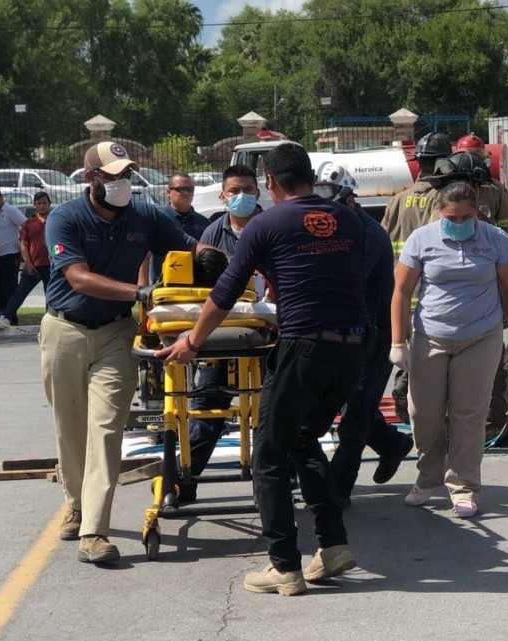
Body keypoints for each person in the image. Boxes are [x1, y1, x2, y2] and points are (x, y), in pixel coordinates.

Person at [155, 142, 367, 596]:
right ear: (311, 175)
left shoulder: (266, 223)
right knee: (304, 438)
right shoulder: (349, 219)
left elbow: (226, 291)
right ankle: (332, 544)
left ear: (269, 183)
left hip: (305, 348)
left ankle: (284, 565)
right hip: (353, 348)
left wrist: (192, 341)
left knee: (269, 455)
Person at [40, 141, 211, 565]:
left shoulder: (145, 215)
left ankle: (93, 531)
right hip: (64, 330)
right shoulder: (64, 218)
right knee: (70, 427)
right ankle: (76, 504)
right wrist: (140, 291)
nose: (122, 183)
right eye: (112, 176)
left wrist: (219, 259)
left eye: (126, 175)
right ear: (92, 178)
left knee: (106, 429)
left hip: (118, 334)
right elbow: (77, 278)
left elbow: (189, 246)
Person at [389, 181, 508, 518]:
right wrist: (398, 341)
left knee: (469, 415)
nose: (459, 223)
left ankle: (464, 487)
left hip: (480, 338)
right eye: (452, 216)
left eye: (466, 216)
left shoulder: (496, 240)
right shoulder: (422, 239)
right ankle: (428, 477)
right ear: (440, 212)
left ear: (477, 212)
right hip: (430, 338)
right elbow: (402, 292)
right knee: (424, 414)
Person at [316, 161, 414, 507]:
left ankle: (339, 488)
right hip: (342, 333)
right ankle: (391, 444)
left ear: (350, 198)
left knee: (355, 410)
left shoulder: (365, 235)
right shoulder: (329, 230)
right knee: (350, 401)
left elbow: (346, 283)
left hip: (371, 336)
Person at [180, 164, 264, 504]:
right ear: (223, 195)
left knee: (272, 410)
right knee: (207, 406)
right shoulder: (212, 234)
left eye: (247, 189)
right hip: (222, 333)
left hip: (266, 333)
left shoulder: (273, 227)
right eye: (234, 190)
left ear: (259, 192)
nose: (241, 195)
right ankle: (186, 479)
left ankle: (277, 480)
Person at [380, 131, 454, 424]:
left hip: (401, 292)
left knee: (412, 353)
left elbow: (383, 243)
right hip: (432, 295)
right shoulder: (444, 200)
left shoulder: (397, 201)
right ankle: (413, 396)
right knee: (436, 361)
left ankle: (405, 383)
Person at [0, 192, 53, 327]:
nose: (42, 206)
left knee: (51, 295)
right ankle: (6, 317)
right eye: (39, 203)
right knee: (20, 292)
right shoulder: (29, 223)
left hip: (52, 265)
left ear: (49, 204)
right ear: (35, 205)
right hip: (33, 265)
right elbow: (24, 244)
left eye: (44, 203)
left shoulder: (55, 220)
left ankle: (50, 322)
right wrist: (28, 263)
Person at [144, 172, 210, 285]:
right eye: (181, 189)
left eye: (190, 189)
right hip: (163, 286)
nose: (187, 193)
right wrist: (143, 287)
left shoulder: (204, 222)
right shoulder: (157, 219)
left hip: (197, 285)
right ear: (169, 192)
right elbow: (145, 256)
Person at [0, 188, 27, 322]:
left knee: (10, 289)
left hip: (10, 255)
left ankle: (12, 319)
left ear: (1, 197)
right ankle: (4, 316)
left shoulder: (11, 210)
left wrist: (22, 245)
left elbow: (26, 225)